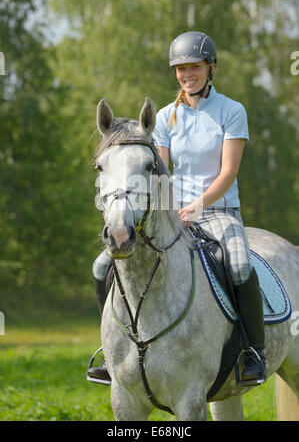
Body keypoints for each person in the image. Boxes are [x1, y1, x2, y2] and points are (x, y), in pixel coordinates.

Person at [87, 31, 266, 386]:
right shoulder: (165, 118)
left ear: (210, 68)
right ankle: (110, 351)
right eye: (181, 69)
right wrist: (166, 212)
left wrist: (198, 207)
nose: (187, 75)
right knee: (101, 265)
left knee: (241, 265)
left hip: (219, 213)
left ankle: (253, 352)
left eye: (194, 67)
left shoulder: (232, 111)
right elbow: (160, 173)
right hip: (173, 214)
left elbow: (228, 172)